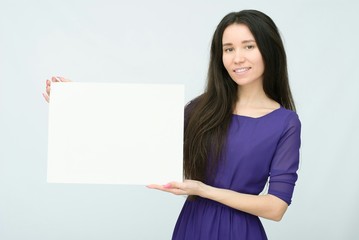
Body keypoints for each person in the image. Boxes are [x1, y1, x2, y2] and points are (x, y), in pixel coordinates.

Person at [43, 9, 301, 240]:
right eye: (228, 49)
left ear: (268, 49)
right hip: (192, 227)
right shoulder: (202, 109)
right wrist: (75, 104)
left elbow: (276, 207)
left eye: (248, 46)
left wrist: (203, 189)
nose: (237, 58)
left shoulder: (285, 123)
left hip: (241, 232)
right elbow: (138, 133)